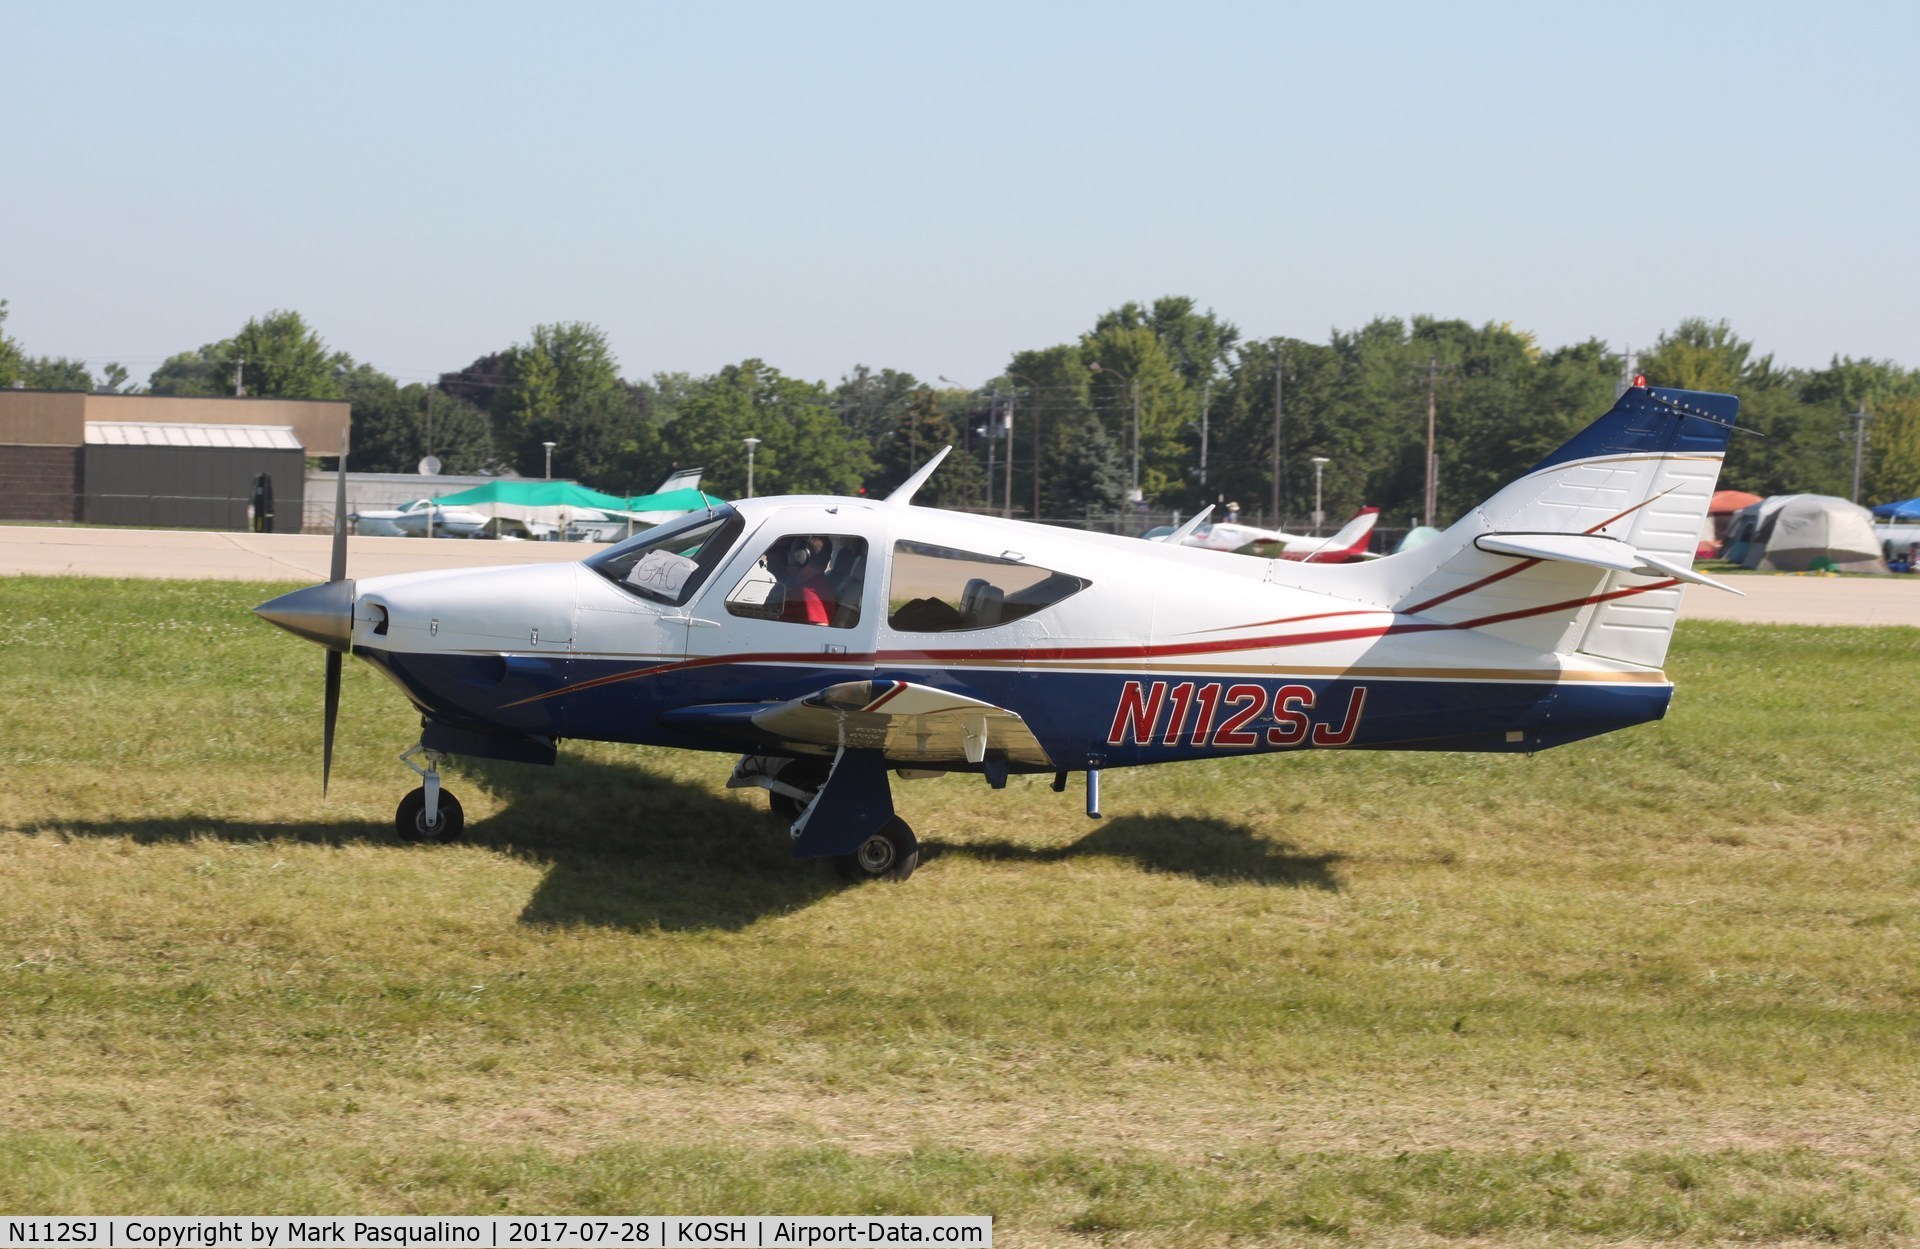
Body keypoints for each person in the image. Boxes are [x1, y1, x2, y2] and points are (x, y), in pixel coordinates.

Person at [773, 535, 837, 625]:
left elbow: (820, 627)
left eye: (791, 552)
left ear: (801, 557)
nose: (788, 556)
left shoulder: (807, 593)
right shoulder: (820, 585)